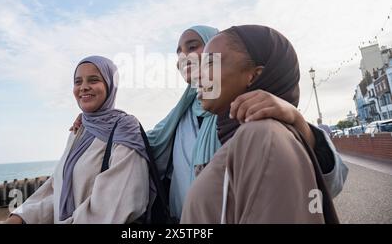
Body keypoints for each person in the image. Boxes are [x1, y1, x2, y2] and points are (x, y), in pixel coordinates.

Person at [70, 26, 347, 222]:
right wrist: (99, 122)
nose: (185, 56)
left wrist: (298, 121)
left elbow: (323, 181)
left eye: (194, 47)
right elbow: (140, 146)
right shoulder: (178, 118)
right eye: (178, 51)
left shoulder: (259, 114)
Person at [181, 25, 340, 224]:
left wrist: (297, 120)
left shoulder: (261, 135)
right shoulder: (244, 134)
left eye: (210, 63)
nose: (197, 75)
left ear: (254, 75)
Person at [2, 56, 153, 224]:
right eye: (78, 82)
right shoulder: (78, 131)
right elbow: (59, 190)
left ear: (110, 85)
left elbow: (117, 205)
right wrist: (21, 217)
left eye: (94, 80)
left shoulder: (125, 130)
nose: (84, 87)